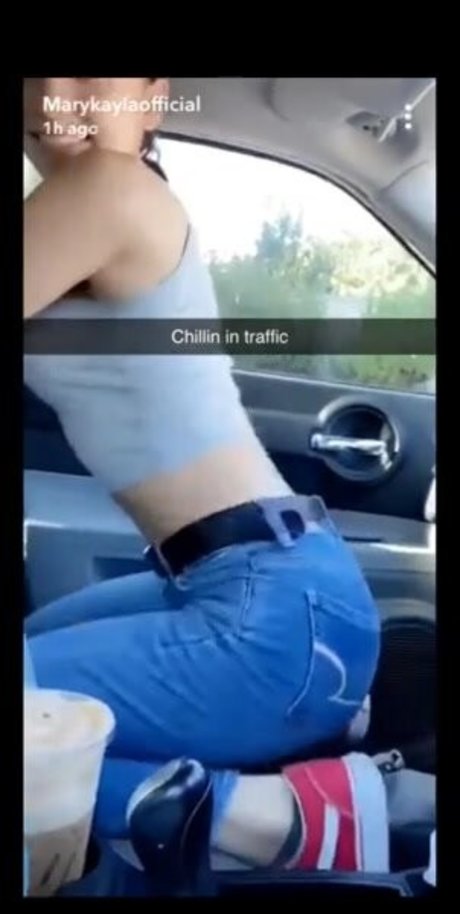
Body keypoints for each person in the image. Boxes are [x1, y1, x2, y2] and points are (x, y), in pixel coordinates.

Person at [24, 78, 381, 867]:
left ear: (153, 97)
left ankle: (283, 817)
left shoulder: (110, 190)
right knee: (34, 669)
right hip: (265, 592)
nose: (58, 95)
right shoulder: (89, 208)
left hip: (274, 617)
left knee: (36, 724)